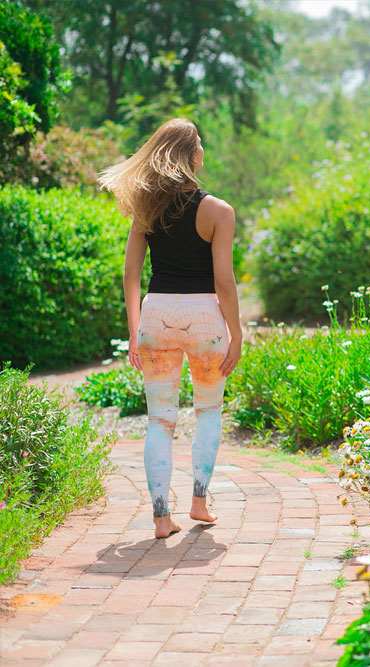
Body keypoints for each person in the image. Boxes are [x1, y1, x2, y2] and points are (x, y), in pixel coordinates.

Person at [98, 118, 242, 538]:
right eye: (200, 145)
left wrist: (134, 328)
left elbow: (130, 274)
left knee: (160, 420)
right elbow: (224, 282)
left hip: (156, 314)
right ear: (192, 155)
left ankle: (162, 519)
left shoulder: (146, 208)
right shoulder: (218, 210)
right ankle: (199, 502)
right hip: (204, 319)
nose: (203, 152)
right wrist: (236, 333)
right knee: (208, 411)